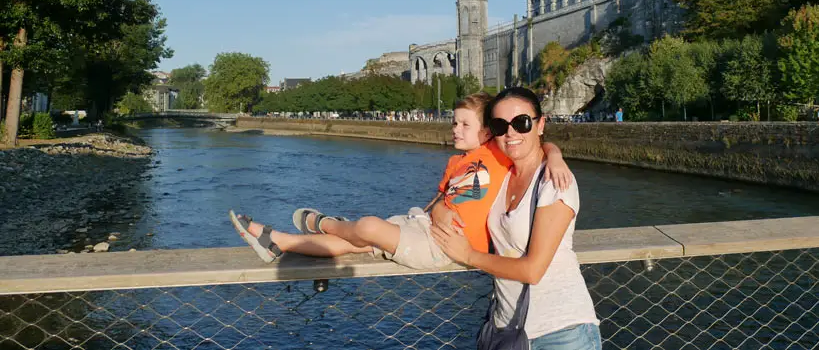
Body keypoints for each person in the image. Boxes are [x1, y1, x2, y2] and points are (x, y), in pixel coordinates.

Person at [229, 92, 574, 268]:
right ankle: (277, 242)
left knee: (365, 227)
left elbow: (539, 144)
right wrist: (438, 211)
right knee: (358, 243)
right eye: (454, 123)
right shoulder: (457, 161)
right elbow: (440, 201)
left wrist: (556, 157)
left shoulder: (498, 153)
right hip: (424, 225)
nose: (455, 129)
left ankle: (327, 223)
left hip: (446, 248)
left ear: (486, 131)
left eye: (464, 125)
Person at [432, 87, 601, 350]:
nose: (511, 132)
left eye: (521, 123)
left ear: (540, 124)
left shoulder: (555, 182)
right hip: (507, 328)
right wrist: (441, 209)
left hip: (560, 332)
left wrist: (469, 256)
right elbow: (454, 197)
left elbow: (533, 270)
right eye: (500, 125)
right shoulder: (501, 174)